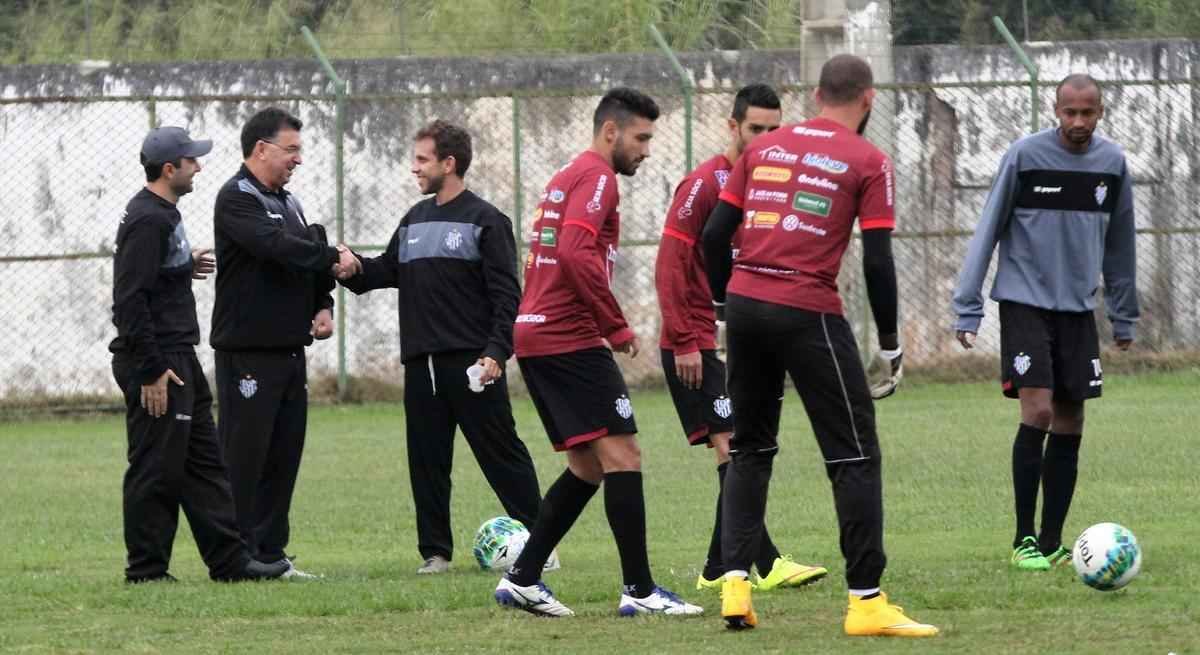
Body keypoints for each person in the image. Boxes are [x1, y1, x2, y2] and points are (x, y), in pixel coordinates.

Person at [701, 54, 938, 637]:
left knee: (751, 449)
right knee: (854, 453)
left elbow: (713, 236)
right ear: (869, 99)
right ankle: (866, 601)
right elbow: (878, 261)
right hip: (807, 309)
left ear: (814, 95)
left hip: (748, 304)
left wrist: (724, 309)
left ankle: (734, 585)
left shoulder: (764, 148)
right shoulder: (869, 160)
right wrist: (888, 343)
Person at [493, 87, 702, 618]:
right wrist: (614, 325)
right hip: (569, 336)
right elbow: (572, 250)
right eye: (641, 137)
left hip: (536, 333)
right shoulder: (598, 178)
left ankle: (522, 578)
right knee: (624, 456)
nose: (646, 149)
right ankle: (640, 590)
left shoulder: (566, 176)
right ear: (611, 131)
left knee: (587, 466)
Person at [339, 120, 547, 575]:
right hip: (421, 366)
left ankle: (541, 544)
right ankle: (435, 553)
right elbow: (385, 271)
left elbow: (507, 296)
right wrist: (353, 268)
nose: (414, 168)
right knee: (427, 463)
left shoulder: (487, 220)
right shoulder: (414, 219)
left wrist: (496, 351)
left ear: (448, 164)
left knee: (503, 455)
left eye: (422, 159)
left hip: (474, 364)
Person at [951, 74, 1138, 571]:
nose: (1078, 122)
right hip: (1024, 302)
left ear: (1100, 112)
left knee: (1072, 418)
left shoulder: (1112, 164)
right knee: (1037, 412)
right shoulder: (1024, 156)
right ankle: (1023, 539)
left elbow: (1121, 245)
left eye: (1088, 113)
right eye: (1070, 112)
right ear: (1056, 110)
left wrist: (1123, 315)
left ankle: (1054, 540)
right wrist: (967, 306)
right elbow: (988, 226)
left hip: (1078, 309)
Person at [654, 83, 828, 593]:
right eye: (757, 129)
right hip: (695, 341)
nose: (766, 139)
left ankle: (715, 569)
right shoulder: (704, 184)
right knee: (733, 448)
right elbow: (670, 264)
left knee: (740, 446)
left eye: (775, 129)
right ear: (733, 127)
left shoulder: (770, 183)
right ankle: (768, 562)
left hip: (739, 338)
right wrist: (686, 338)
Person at [109, 126, 290, 584]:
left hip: (179, 356)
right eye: (191, 161)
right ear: (169, 169)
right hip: (159, 361)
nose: (199, 167)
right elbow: (129, 300)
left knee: (205, 465)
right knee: (156, 467)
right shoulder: (149, 219)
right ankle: (146, 570)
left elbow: (151, 281)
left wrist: (182, 269)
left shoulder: (162, 214)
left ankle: (230, 562)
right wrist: (151, 369)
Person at [211, 107, 360, 579]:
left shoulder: (289, 201)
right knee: (245, 454)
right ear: (261, 149)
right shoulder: (237, 198)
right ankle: (236, 557)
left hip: (289, 350)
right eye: (290, 149)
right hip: (248, 352)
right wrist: (330, 254)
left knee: (283, 454)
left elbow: (304, 257)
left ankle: (272, 555)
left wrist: (323, 303)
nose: (298, 159)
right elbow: (276, 248)